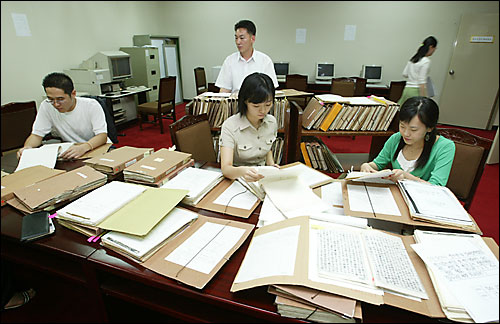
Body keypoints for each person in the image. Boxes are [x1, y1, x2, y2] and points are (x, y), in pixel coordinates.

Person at [360, 96, 455, 186]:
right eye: (402, 126)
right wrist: (367, 166)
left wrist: (406, 177)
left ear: (430, 128)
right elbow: (378, 164)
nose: (406, 133)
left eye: (413, 130)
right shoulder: (396, 138)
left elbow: (437, 186)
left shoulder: (445, 147)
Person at [17, 72, 108, 160]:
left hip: (97, 148)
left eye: (60, 99)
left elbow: (102, 136)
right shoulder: (46, 106)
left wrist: (84, 147)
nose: (56, 104)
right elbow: (37, 135)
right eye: (51, 99)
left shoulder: (91, 105)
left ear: (73, 94)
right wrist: (27, 148)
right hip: (71, 153)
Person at [220, 72, 279, 182]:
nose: (263, 111)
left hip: (263, 177)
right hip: (238, 179)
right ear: (245, 101)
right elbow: (226, 169)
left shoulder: (271, 122)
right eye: (256, 106)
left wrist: (271, 165)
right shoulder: (230, 126)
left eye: (267, 105)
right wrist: (243, 171)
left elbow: (268, 148)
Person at [215, 19, 279, 93]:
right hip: (236, 103)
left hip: (258, 103)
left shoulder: (265, 60)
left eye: (242, 38)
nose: (238, 42)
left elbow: (271, 90)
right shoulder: (230, 61)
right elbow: (224, 90)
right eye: (236, 38)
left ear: (252, 39)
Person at [398, 36, 438, 105]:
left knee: (403, 110)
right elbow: (422, 82)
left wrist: (413, 74)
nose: (434, 51)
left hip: (407, 89)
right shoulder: (426, 61)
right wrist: (424, 100)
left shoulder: (413, 59)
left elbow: (405, 74)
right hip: (416, 91)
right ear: (431, 47)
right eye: (435, 48)